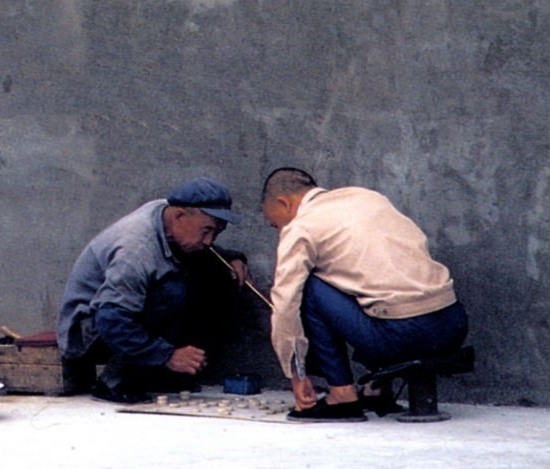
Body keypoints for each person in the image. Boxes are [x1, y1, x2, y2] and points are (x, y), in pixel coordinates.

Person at [261, 167, 469, 422]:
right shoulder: (367, 198)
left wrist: (296, 372)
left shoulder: (301, 227)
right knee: (360, 280)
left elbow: (285, 303)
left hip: (403, 335)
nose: (279, 230)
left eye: (275, 224)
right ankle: (376, 389)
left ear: (284, 203)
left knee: (310, 288)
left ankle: (342, 396)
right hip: (453, 325)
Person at [56, 177, 252, 404]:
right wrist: (167, 355)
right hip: (90, 332)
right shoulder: (136, 251)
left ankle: (154, 374)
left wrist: (231, 260)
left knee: (208, 274)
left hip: (116, 315)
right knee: (171, 291)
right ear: (179, 215)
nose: (209, 241)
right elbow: (111, 319)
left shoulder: (168, 213)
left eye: (216, 233)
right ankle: (112, 381)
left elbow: (203, 247)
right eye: (206, 231)